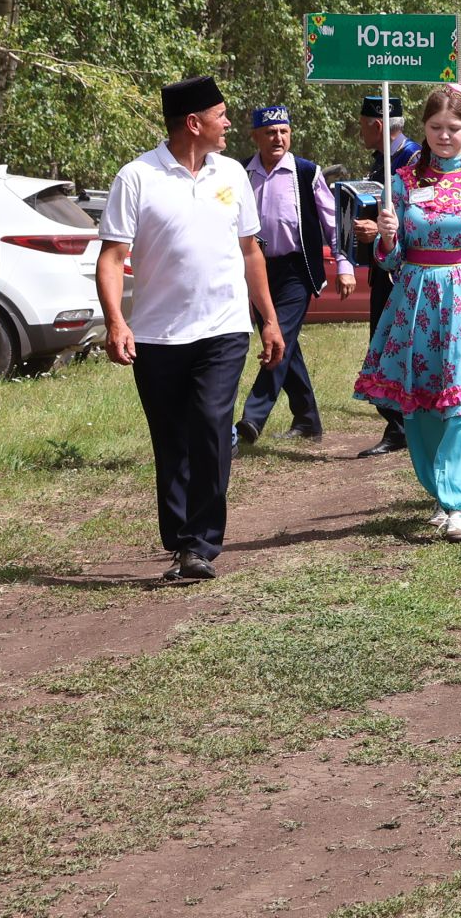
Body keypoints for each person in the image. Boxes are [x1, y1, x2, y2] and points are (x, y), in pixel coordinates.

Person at [96, 77, 285, 583]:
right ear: (193, 123)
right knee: (171, 440)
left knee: (208, 425)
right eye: (221, 115)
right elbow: (113, 258)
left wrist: (267, 319)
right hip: (157, 335)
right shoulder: (136, 177)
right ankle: (181, 541)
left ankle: (202, 542)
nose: (229, 124)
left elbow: (251, 251)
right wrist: (116, 320)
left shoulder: (232, 175)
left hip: (222, 330)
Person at [353, 85, 461, 542]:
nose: (445, 136)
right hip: (416, 300)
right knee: (421, 406)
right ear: (423, 130)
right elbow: (391, 260)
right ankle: (441, 495)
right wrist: (386, 238)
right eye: (436, 128)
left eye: (455, 128)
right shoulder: (402, 181)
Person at [236, 104, 352, 446]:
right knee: (285, 345)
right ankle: (308, 419)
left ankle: (251, 419)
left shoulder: (306, 172)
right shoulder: (240, 172)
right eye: (270, 132)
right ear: (256, 136)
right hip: (256, 270)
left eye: (284, 131)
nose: (278, 138)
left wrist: (344, 265)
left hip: (296, 271)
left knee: (277, 339)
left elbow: (334, 224)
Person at [351, 93, 421, 457]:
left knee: (394, 344)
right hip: (385, 268)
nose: (360, 133)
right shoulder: (384, 159)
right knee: (383, 341)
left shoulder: (412, 159)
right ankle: (398, 422)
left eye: (363, 126)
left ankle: (400, 425)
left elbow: (414, 219)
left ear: (377, 125)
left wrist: (378, 235)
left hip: (403, 272)